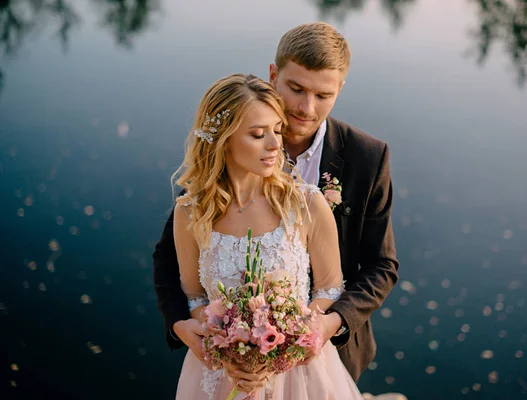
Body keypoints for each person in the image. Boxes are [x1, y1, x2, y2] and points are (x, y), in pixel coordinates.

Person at [153, 21, 399, 387]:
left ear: (340, 89)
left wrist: (324, 325)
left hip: (327, 351)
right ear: (273, 75)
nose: (305, 108)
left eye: (323, 95)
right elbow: (170, 259)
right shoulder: (234, 146)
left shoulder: (368, 157)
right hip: (228, 360)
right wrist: (194, 329)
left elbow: (381, 265)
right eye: (296, 88)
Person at [170, 73, 364, 399]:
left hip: (299, 373)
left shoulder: (306, 203)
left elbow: (330, 287)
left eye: (277, 130)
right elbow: (195, 298)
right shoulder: (190, 212)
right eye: (259, 134)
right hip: (222, 374)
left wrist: (284, 342)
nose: (276, 144)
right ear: (223, 139)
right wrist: (231, 344)